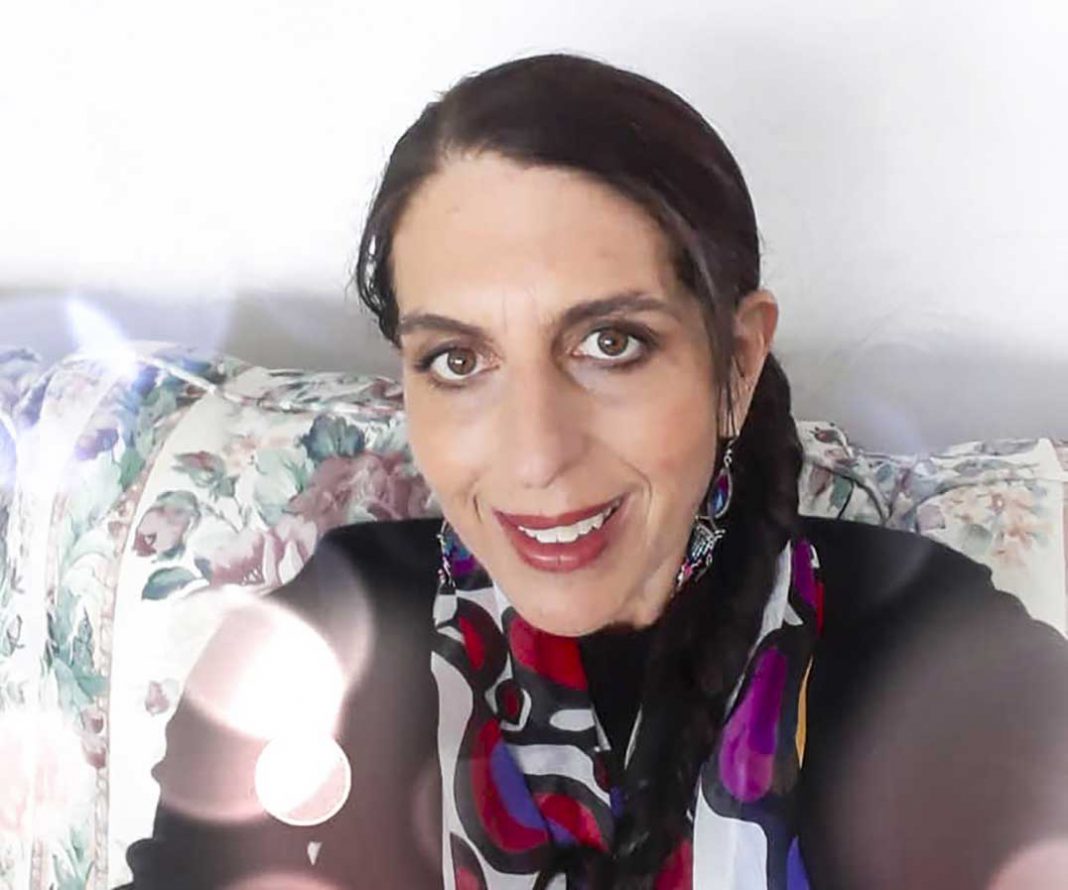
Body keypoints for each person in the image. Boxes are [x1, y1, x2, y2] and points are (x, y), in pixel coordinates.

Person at [122, 52, 1068, 890]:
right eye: (458, 359)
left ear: (737, 364)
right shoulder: (327, 638)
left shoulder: (934, 650)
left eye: (610, 344)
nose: (537, 455)